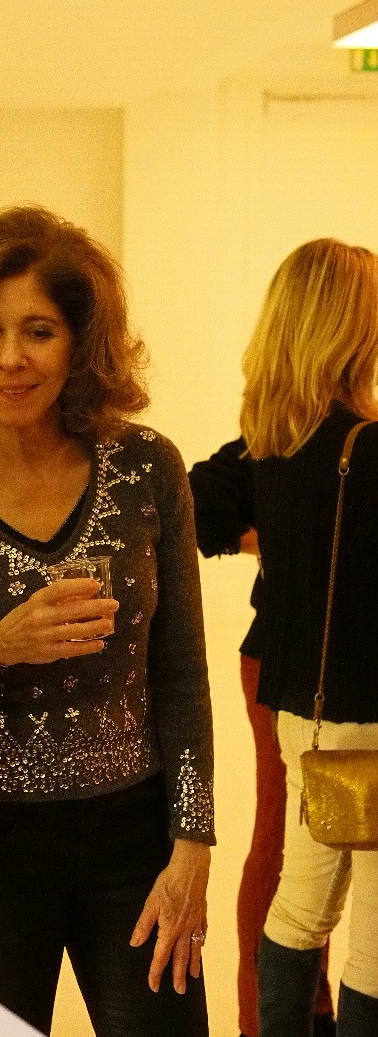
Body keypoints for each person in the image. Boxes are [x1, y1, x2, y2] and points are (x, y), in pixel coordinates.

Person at [0, 205, 215, 1036]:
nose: (11, 358)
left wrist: (193, 843)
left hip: (135, 838)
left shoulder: (146, 464)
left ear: (81, 342)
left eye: (38, 330)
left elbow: (181, 669)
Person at [234, 238, 378, 1037]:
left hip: (308, 715)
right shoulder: (368, 445)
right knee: (377, 938)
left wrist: (272, 544)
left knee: (302, 899)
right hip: (371, 715)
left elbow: (203, 508)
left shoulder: (267, 445)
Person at [188, 444, 336, 1037]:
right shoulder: (280, 437)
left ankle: (307, 1010)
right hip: (286, 665)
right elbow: (199, 499)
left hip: (333, 667)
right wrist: (278, 540)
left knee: (322, 846)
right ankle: (267, 1021)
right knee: (286, 836)